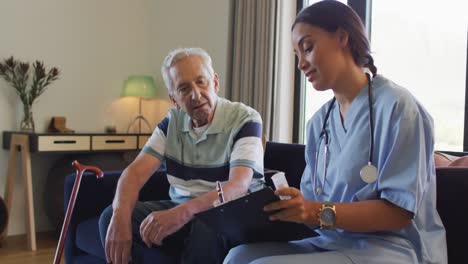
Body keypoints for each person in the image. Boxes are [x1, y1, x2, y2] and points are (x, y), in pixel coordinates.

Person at [223, 1, 447, 263]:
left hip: (394, 248)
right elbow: (313, 209)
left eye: (307, 48)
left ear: (342, 37)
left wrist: (313, 211)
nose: (301, 64)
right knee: (237, 257)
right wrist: (283, 208)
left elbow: (398, 213)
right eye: (296, 55)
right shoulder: (319, 123)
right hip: (333, 242)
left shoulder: (399, 107)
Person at [99, 47, 264, 264]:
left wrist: (182, 213)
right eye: (184, 88)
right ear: (174, 98)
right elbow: (134, 173)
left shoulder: (245, 118)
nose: (195, 94)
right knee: (111, 216)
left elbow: (238, 187)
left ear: (215, 83)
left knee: (207, 226)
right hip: (186, 212)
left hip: (233, 213)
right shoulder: (172, 122)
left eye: (201, 82)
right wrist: (120, 215)